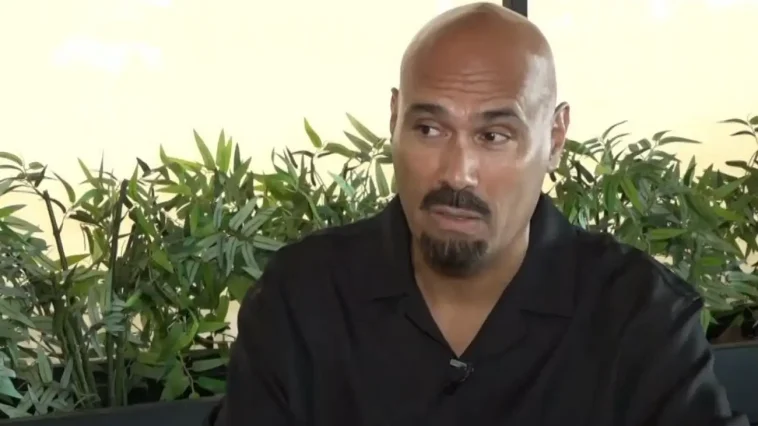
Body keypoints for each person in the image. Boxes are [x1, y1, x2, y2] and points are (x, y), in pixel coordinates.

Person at [208, 3, 748, 425]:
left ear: (555, 137)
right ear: (394, 120)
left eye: (493, 136)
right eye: (429, 129)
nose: (457, 173)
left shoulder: (637, 315)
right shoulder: (300, 298)